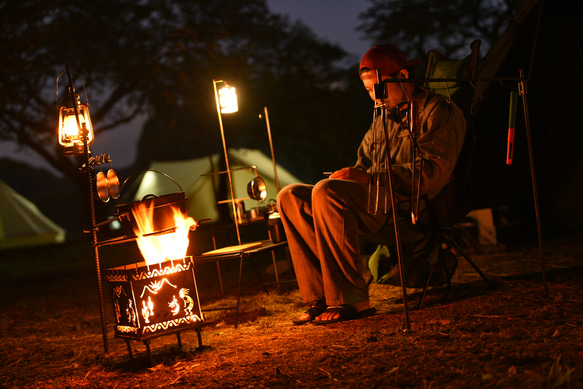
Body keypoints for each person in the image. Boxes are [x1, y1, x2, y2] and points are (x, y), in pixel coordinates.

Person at [277, 44, 467, 325]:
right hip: (377, 204)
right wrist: (347, 175)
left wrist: (369, 179)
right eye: (368, 91)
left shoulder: (438, 111)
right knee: (290, 195)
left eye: (377, 89)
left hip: (412, 209)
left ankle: (353, 301)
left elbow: (433, 173)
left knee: (326, 193)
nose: (374, 98)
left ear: (402, 76)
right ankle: (320, 296)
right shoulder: (382, 120)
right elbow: (363, 166)